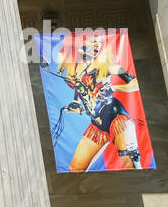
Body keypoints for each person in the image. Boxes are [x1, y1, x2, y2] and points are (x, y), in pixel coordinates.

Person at [51, 32, 143, 171]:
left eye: (98, 43)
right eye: (91, 42)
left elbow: (135, 83)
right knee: (75, 168)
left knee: (130, 163)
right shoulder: (74, 70)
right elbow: (80, 88)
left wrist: (113, 87)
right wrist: (75, 102)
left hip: (116, 118)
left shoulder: (104, 66)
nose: (96, 45)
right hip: (97, 124)